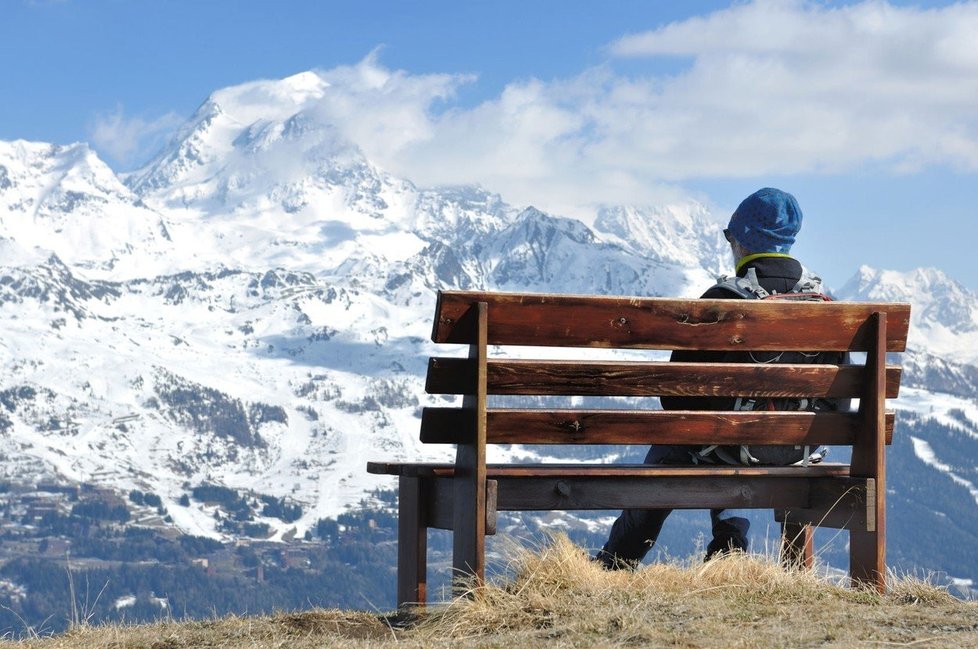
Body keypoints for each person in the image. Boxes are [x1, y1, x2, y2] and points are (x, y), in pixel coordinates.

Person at [595, 187, 843, 569]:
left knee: (679, 443)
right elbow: (838, 401)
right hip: (799, 451)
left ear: (741, 239)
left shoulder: (721, 298)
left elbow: (675, 395)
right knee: (723, 435)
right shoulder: (826, 308)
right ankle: (729, 549)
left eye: (731, 237)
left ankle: (617, 562)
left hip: (725, 443)